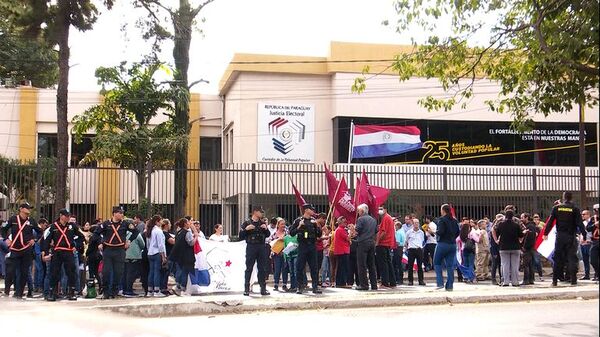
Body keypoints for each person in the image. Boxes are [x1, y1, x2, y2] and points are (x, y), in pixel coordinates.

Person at [544, 192, 586, 286]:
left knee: (557, 259)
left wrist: (545, 233)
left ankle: (554, 281)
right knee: (572, 258)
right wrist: (584, 235)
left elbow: (550, 222)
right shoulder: (575, 208)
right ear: (571, 198)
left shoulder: (556, 208)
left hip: (560, 237)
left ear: (563, 197)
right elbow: (580, 223)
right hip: (571, 237)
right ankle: (573, 281)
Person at [1, 202, 41, 298]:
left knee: (24, 272)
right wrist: (6, 239)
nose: (29, 210)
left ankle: (19, 293)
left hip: (26, 250)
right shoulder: (13, 219)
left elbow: (40, 231)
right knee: (10, 270)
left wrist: (34, 240)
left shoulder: (31, 221)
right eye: (27, 208)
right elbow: (3, 229)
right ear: (21, 209)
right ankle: (7, 290)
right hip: (15, 249)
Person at [95, 206, 131, 299]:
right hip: (108, 250)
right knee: (106, 271)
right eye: (120, 213)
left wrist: (129, 241)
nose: (122, 215)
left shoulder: (125, 224)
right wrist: (100, 243)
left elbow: (135, 232)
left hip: (120, 250)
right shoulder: (106, 224)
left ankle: (115, 291)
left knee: (118, 272)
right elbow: (96, 233)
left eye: (122, 213)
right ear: (114, 213)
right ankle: (106, 291)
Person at [46, 209, 79, 301]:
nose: (68, 218)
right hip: (57, 251)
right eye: (66, 216)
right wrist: (45, 251)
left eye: (69, 216)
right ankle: (53, 292)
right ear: (61, 216)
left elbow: (81, 236)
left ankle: (71, 292)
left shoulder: (72, 226)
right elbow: (46, 239)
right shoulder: (53, 226)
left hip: (68, 251)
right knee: (54, 272)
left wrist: (76, 246)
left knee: (71, 272)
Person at [289, 203, 322, 294]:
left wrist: (317, 226)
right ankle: (300, 287)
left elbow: (319, 234)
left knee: (314, 267)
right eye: (311, 209)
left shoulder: (313, 221)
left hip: (312, 245)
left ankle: (315, 287)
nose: (313, 211)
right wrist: (299, 226)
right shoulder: (298, 220)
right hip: (303, 245)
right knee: (300, 267)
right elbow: (291, 233)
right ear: (306, 210)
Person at [240, 206, 271, 296]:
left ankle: (263, 288)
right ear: (255, 212)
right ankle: (246, 289)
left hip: (261, 247)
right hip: (251, 247)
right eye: (260, 212)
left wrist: (265, 228)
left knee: (262, 268)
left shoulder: (262, 223)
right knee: (249, 268)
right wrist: (246, 229)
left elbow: (268, 235)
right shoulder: (247, 223)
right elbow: (240, 236)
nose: (262, 214)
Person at [494, 208, 524, 287]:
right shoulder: (516, 225)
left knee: (504, 265)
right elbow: (521, 235)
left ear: (505, 216)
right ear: (513, 216)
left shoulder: (501, 224)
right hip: (515, 247)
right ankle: (515, 282)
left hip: (503, 247)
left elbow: (496, 233)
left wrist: (497, 240)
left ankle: (505, 282)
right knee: (515, 265)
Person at [433, 204, 460, 291]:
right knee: (450, 265)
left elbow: (440, 232)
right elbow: (457, 233)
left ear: (443, 210)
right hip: (452, 244)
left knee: (436, 262)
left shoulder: (441, 219)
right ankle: (450, 285)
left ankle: (440, 282)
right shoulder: (455, 220)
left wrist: (434, 231)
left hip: (442, 244)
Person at [169, 218, 198, 295]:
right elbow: (191, 243)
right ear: (185, 224)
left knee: (180, 270)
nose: (189, 223)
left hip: (179, 255)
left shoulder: (178, 232)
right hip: (187, 256)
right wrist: (195, 237)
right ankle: (182, 287)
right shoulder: (187, 233)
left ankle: (177, 285)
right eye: (188, 222)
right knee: (185, 271)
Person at [354, 204, 378, 291]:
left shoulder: (360, 219)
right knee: (371, 265)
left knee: (362, 265)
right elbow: (376, 231)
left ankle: (364, 285)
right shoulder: (373, 220)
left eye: (359, 211)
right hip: (371, 242)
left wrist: (352, 230)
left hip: (362, 242)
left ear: (362, 211)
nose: (358, 212)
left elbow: (357, 231)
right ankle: (374, 285)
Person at [123, 220, 145, 297]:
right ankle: (129, 290)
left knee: (125, 274)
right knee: (131, 274)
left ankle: (125, 289)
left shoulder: (122, 234)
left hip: (124, 256)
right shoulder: (136, 234)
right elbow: (142, 244)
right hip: (134, 256)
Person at [376, 205, 396, 288]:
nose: (380, 210)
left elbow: (383, 232)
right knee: (388, 263)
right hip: (387, 244)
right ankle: (392, 282)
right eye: (379, 209)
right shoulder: (389, 218)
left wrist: (377, 242)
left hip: (383, 243)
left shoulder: (385, 218)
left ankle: (385, 282)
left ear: (385, 209)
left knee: (383, 264)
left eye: (381, 209)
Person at [146, 215, 166, 297]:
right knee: (157, 271)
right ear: (157, 221)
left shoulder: (150, 230)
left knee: (151, 271)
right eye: (161, 220)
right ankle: (157, 290)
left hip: (150, 253)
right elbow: (161, 245)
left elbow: (148, 244)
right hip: (157, 253)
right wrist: (163, 256)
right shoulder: (158, 231)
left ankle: (150, 290)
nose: (162, 222)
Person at [405, 218, 426, 286]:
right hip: (411, 249)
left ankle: (421, 280)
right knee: (410, 266)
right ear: (412, 224)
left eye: (417, 222)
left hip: (419, 249)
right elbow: (406, 241)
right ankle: (410, 281)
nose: (416, 224)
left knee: (420, 266)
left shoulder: (421, 232)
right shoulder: (409, 232)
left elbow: (423, 241)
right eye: (415, 223)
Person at [270, 218, 287, 291]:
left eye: (284, 224)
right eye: (282, 224)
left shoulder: (287, 232)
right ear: (278, 225)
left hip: (285, 253)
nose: (283, 225)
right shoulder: (274, 234)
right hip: (277, 254)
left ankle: (284, 284)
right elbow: (271, 243)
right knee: (277, 269)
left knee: (285, 269)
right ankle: (276, 284)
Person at [458, 219, 478, 284]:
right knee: (471, 264)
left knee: (465, 264)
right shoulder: (472, 233)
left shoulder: (461, 234)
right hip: (471, 250)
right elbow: (477, 240)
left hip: (464, 250)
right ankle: (471, 278)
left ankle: (465, 277)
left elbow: (456, 240)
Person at [520, 213, 538, 285]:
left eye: (522, 217)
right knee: (530, 264)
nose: (521, 219)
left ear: (526, 218)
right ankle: (531, 279)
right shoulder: (532, 226)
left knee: (526, 264)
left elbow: (528, 238)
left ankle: (526, 280)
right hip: (531, 247)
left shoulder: (529, 226)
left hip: (528, 248)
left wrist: (524, 246)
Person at [334, 216, 351, 288]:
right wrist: (351, 231)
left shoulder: (340, 229)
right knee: (343, 267)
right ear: (340, 222)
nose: (346, 223)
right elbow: (348, 238)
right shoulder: (340, 230)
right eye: (344, 222)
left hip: (342, 250)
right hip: (342, 251)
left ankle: (339, 282)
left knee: (341, 267)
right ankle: (342, 282)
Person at [283, 228, 299, 292]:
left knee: (295, 271)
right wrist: (285, 257)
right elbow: (285, 247)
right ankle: (292, 286)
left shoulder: (297, 237)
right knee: (291, 271)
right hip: (289, 256)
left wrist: (296, 245)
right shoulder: (286, 238)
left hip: (296, 255)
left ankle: (297, 286)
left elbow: (299, 245)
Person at [587, 205, 599, 282]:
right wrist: (594, 224)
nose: (596, 212)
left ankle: (597, 275)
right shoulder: (592, 219)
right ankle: (597, 273)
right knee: (593, 260)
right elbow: (588, 228)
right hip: (594, 242)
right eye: (595, 210)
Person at [580, 209, 592, 280]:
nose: (582, 216)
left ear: (588, 215)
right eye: (582, 214)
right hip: (583, 244)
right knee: (585, 260)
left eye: (584, 214)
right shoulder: (583, 223)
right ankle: (586, 275)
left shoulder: (592, 222)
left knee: (592, 260)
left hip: (589, 243)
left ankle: (596, 274)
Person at [393, 220, 406, 285]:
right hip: (401, 248)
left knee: (396, 264)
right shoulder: (402, 231)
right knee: (399, 264)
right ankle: (400, 278)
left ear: (398, 226)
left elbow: (397, 242)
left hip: (397, 248)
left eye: (395, 225)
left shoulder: (398, 232)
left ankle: (398, 279)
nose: (394, 227)